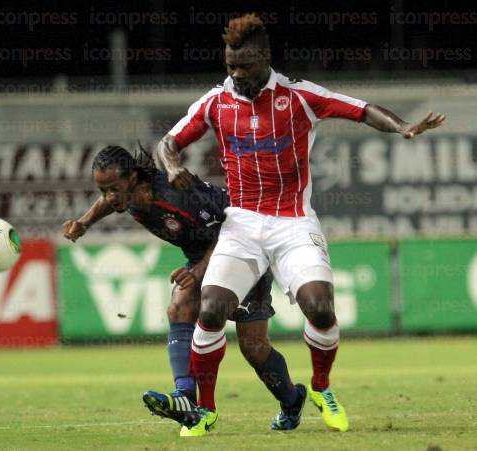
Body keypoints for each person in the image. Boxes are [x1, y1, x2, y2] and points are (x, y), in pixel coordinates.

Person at [157, 13, 446, 434]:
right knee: (213, 309)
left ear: (266, 58)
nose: (235, 74)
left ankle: (321, 387)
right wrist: (170, 166)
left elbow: (361, 110)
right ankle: (205, 411)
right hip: (242, 223)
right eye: (229, 65)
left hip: (292, 221)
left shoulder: (298, 97)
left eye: (244, 65)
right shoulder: (216, 102)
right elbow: (168, 141)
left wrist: (402, 127)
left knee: (321, 307)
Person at [63, 145, 306, 437]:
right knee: (179, 308)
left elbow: (230, 231)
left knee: (254, 349)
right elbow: (108, 202)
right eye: (104, 190)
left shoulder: (178, 196)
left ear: (134, 177)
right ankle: (185, 397)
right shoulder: (127, 195)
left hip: (244, 250)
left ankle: (292, 400)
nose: (110, 197)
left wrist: (198, 271)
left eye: (114, 188)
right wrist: (84, 223)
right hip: (202, 257)